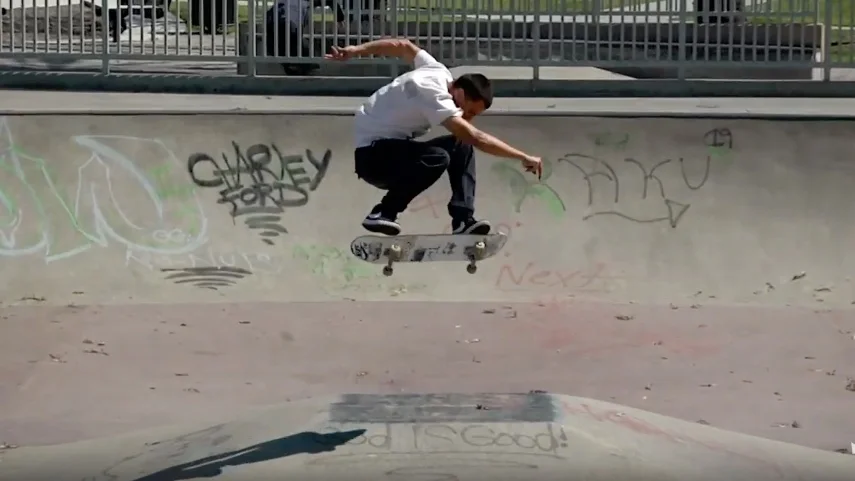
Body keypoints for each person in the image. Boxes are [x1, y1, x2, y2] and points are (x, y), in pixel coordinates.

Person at [325, 38, 543, 236]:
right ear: (460, 93)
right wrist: (522, 156)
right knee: (440, 155)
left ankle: (463, 220)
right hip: (374, 159)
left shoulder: (438, 71)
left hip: (393, 151)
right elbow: (477, 137)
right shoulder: (434, 94)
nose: (468, 118)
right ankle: (383, 212)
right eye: (470, 112)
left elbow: (402, 46)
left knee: (461, 146)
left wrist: (355, 51)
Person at [265, 0, 346, 75]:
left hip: (272, 20)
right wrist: (340, 18)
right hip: (288, 24)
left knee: (280, 49)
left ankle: (294, 66)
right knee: (307, 60)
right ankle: (303, 68)